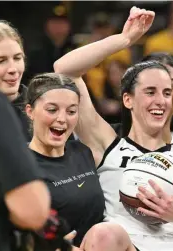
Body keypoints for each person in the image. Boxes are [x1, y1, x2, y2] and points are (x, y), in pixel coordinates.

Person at [54, 7, 173, 251]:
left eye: (168, 92)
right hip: (123, 243)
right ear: (128, 99)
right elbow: (64, 69)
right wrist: (124, 39)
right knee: (104, 233)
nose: (160, 100)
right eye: (150, 91)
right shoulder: (106, 142)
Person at [0, 3, 50, 250]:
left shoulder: (44, 108)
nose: (12, 69)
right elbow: (32, 210)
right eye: (0, 61)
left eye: (17, 58)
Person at [24, 73, 105, 247]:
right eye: (52, 110)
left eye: (71, 111)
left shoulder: (82, 151)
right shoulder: (20, 165)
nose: (62, 119)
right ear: (30, 111)